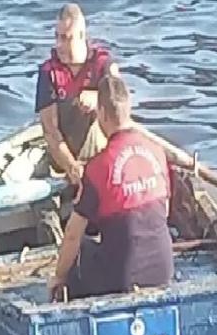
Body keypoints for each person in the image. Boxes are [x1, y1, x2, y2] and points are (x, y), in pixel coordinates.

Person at [48, 75, 175, 301]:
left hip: (122, 278)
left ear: (102, 115)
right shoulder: (157, 152)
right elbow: (164, 211)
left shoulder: (98, 167)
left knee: (82, 250)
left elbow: (72, 235)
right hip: (163, 270)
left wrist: (58, 277)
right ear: (129, 109)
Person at [35, 3, 120, 187]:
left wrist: (99, 99)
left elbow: (122, 110)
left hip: (102, 152)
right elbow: (50, 131)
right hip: (65, 156)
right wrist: (72, 167)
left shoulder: (103, 65)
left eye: (66, 38)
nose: (60, 45)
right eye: (57, 37)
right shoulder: (49, 72)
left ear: (82, 36)